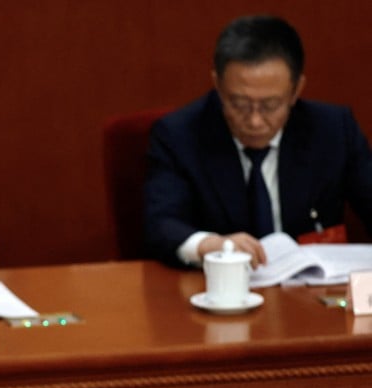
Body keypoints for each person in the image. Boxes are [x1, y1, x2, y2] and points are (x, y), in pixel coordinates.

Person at [144, 15, 372, 268]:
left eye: (270, 105)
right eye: (239, 104)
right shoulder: (179, 135)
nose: (254, 121)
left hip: (311, 293)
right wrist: (210, 244)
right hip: (219, 291)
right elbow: (161, 224)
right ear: (218, 86)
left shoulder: (333, 130)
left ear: (296, 90)